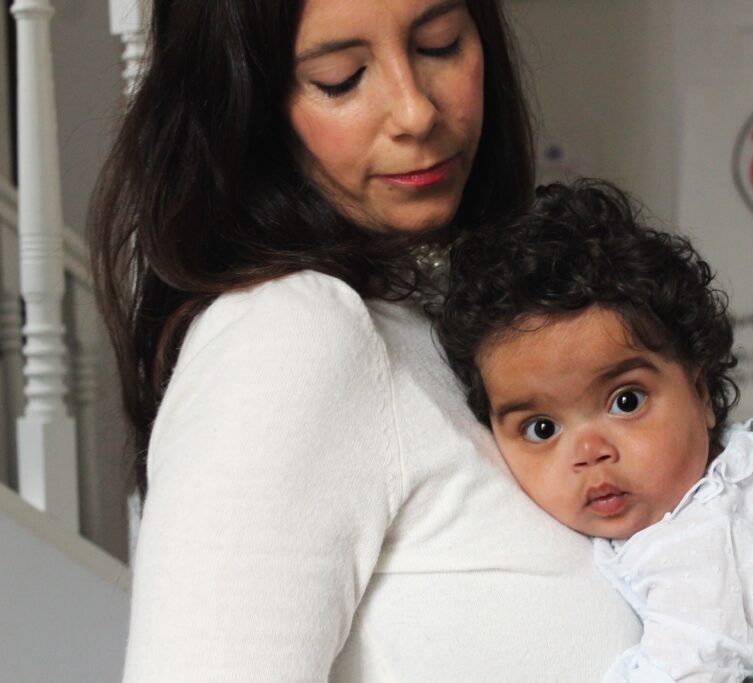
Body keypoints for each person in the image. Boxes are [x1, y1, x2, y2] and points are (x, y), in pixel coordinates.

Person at [89, 2, 641, 680]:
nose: (416, 112)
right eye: (341, 78)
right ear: (251, 108)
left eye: (440, 45)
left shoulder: (451, 316)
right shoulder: (291, 332)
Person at [437, 179, 753, 683]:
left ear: (702, 392)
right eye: (541, 428)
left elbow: (697, 665)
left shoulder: (711, 526)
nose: (590, 451)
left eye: (626, 401)